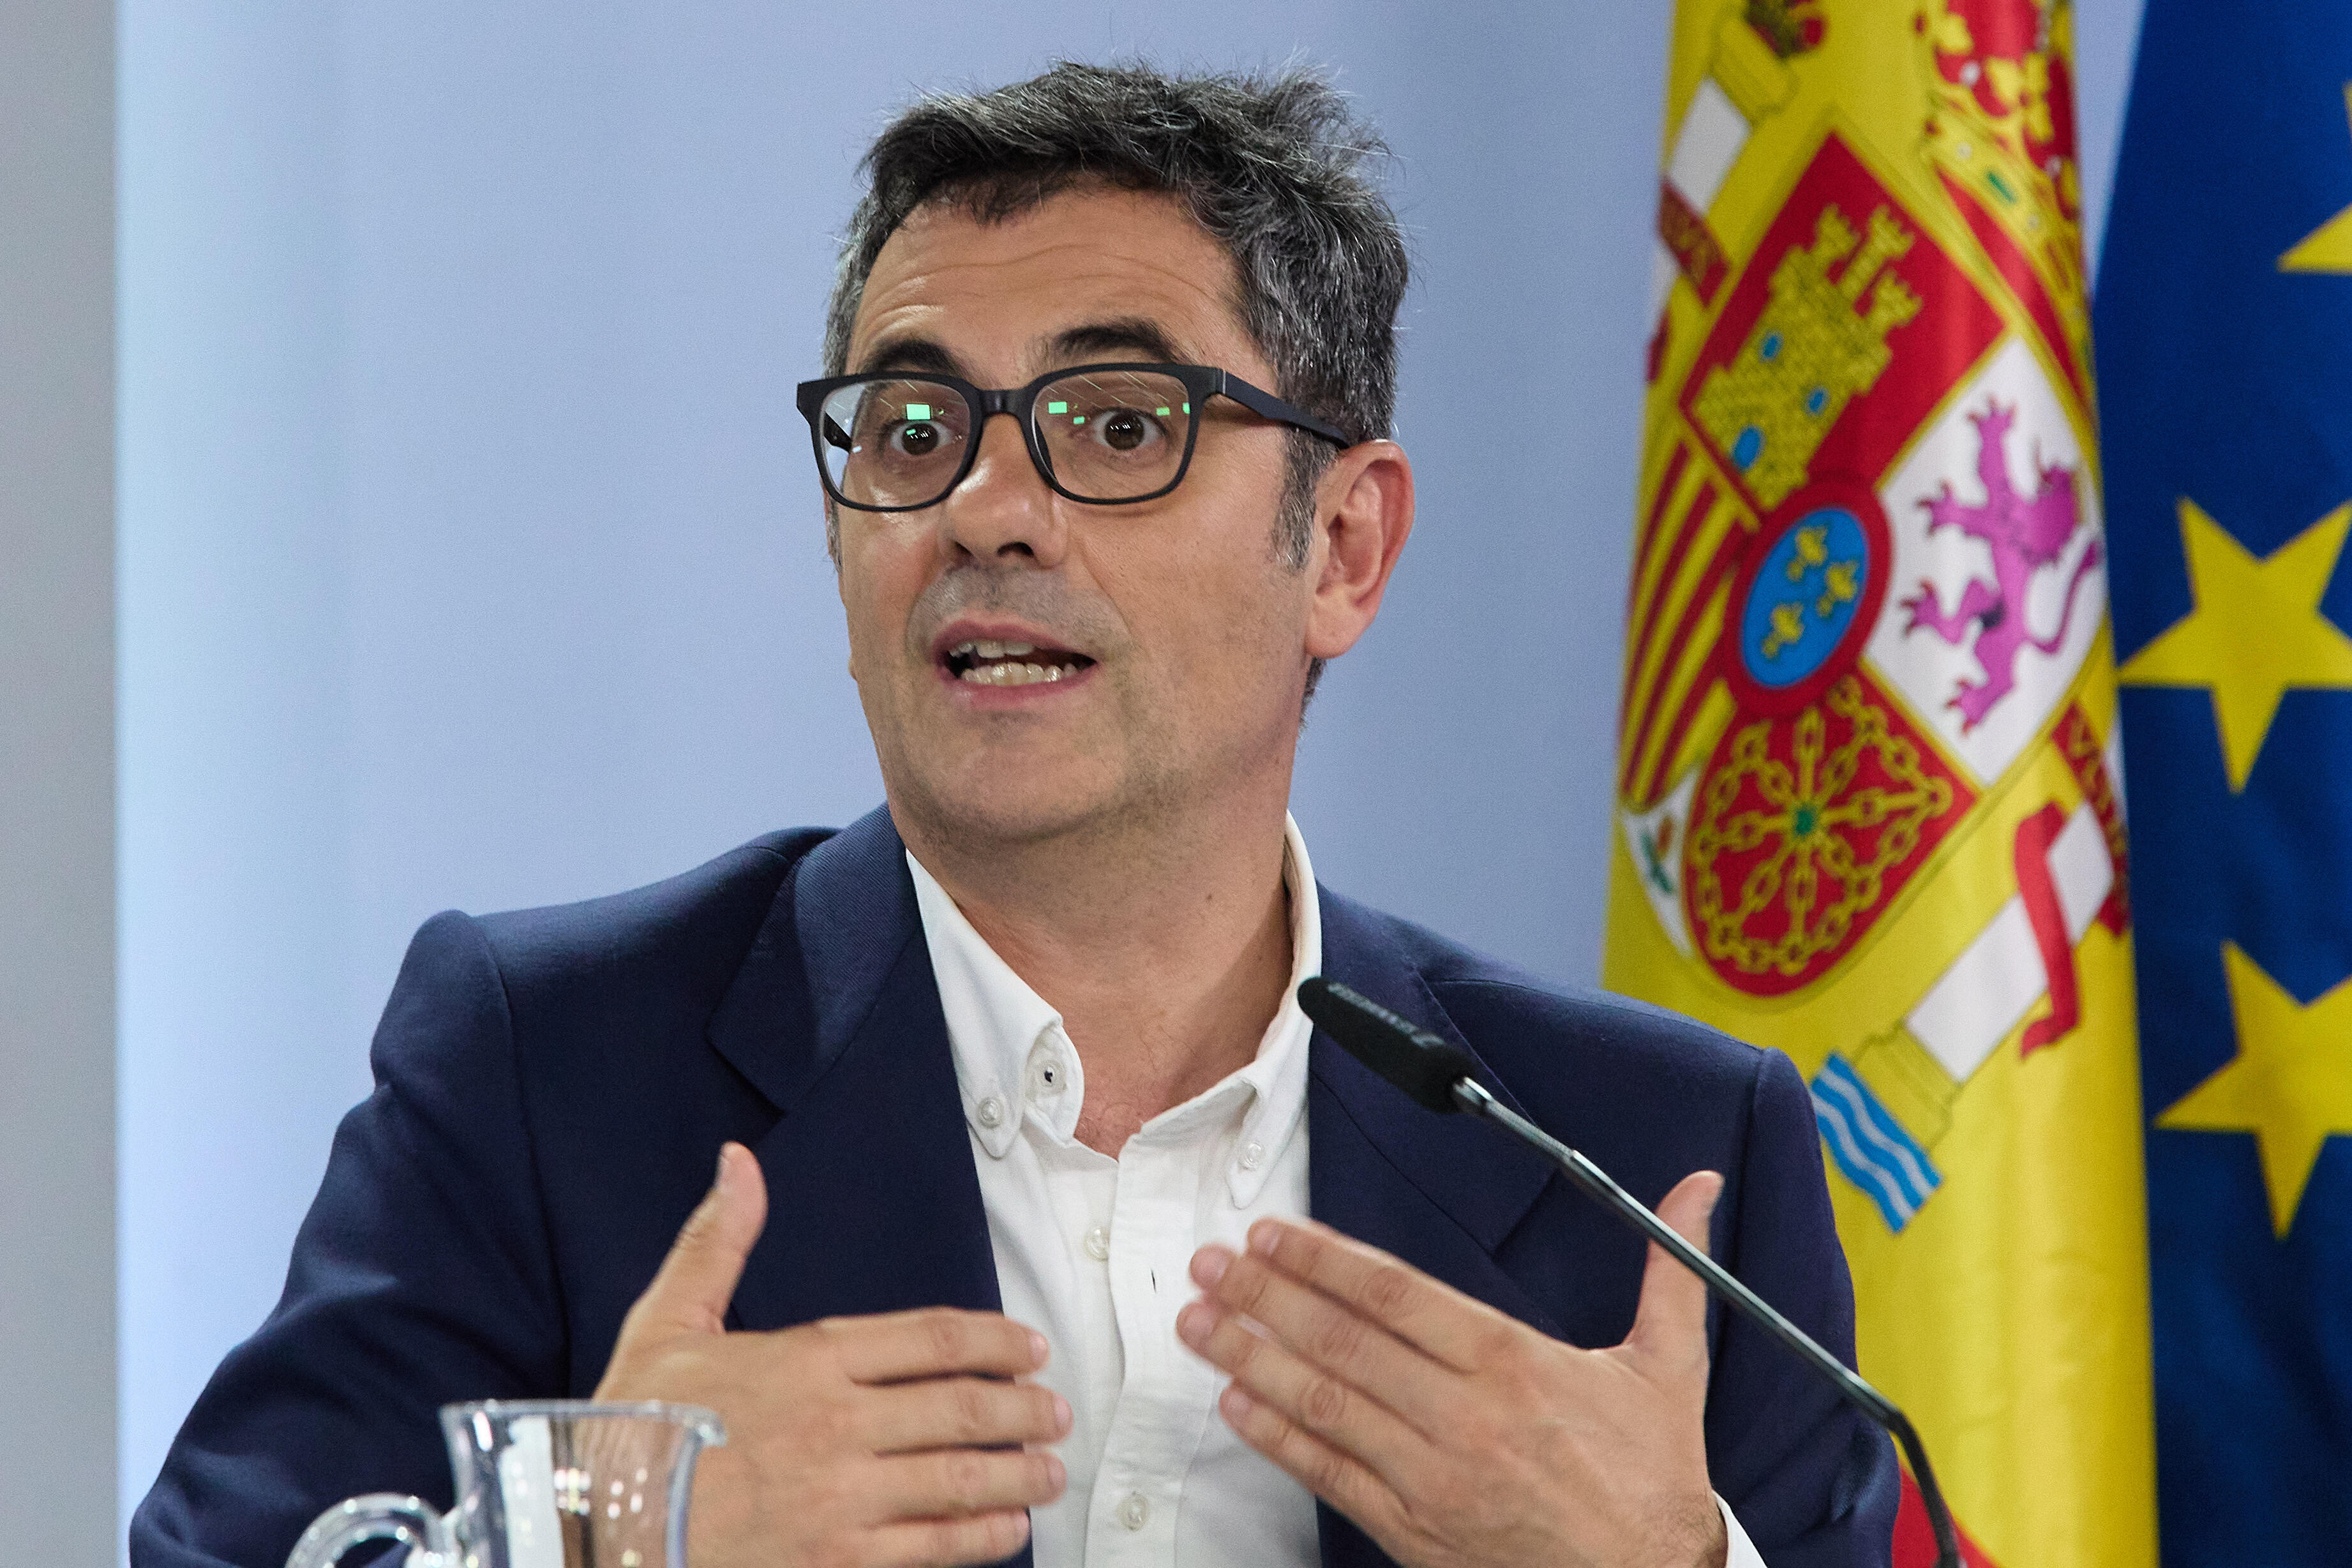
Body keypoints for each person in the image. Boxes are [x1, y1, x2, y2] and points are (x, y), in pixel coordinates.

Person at [131, 61, 1896, 1568]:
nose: (986, 507)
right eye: (910, 427)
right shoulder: (550, 1068)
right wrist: (608, 1536)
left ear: (1344, 548)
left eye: (1116, 426)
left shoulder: (1654, 1159)